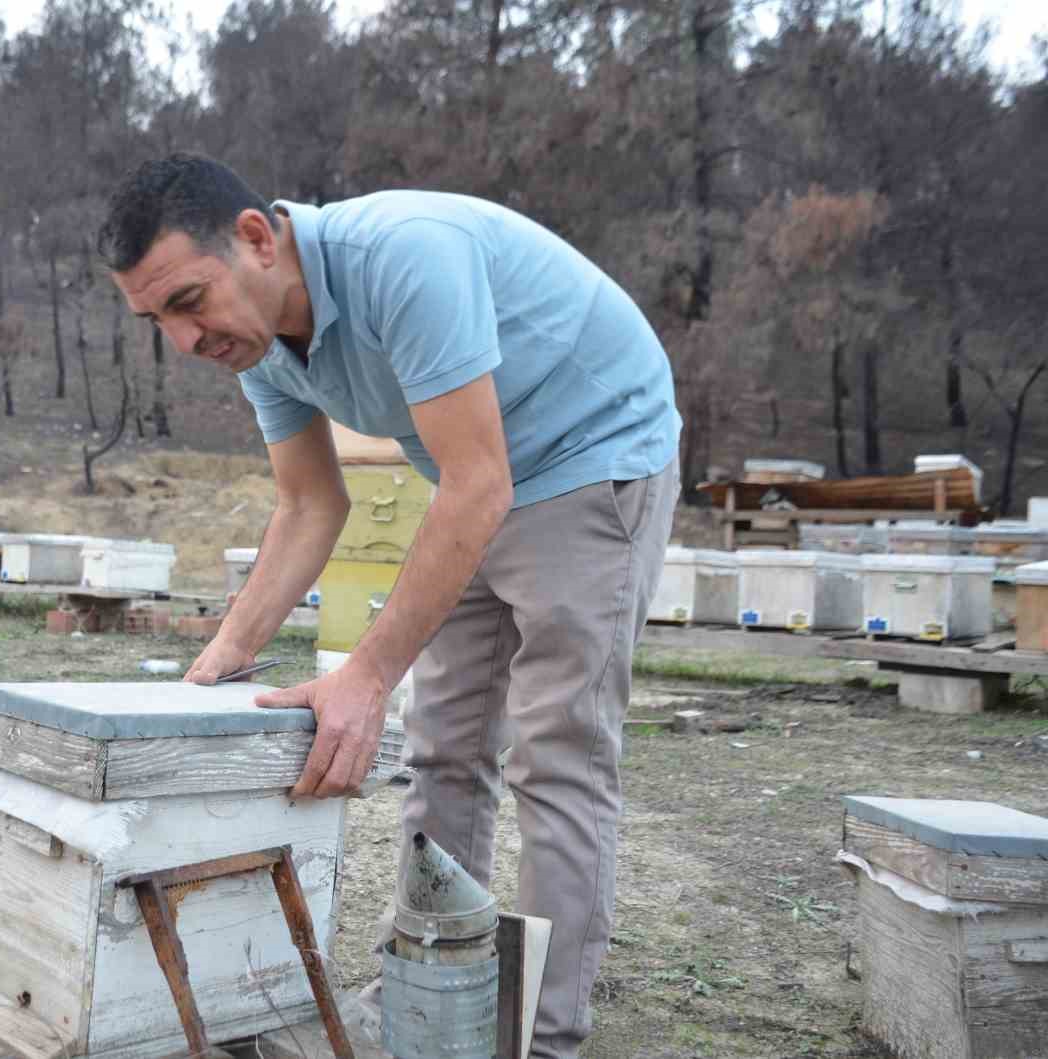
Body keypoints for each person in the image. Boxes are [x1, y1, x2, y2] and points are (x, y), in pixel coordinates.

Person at [98, 153, 680, 1059]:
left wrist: (365, 674)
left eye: (187, 301)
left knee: (556, 753)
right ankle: (425, 1000)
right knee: (443, 748)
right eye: (155, 320)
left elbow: (477, 482)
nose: (183, 340)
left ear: (256, 238)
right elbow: (308, 504)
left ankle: (538, 1036)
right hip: (475, 473)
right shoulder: (259, 342)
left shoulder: (405, 256)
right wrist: (222, 661)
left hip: (592, 452)